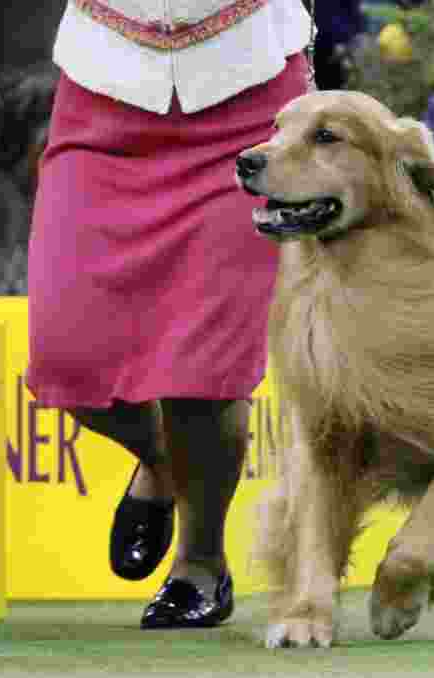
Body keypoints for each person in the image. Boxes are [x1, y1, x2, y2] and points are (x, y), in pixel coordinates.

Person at [26, 0, 314, 629]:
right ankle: (161, 465)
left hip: (248, 96)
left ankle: (200, 564)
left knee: (201, 373)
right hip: (101, 94)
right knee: (64, 354)